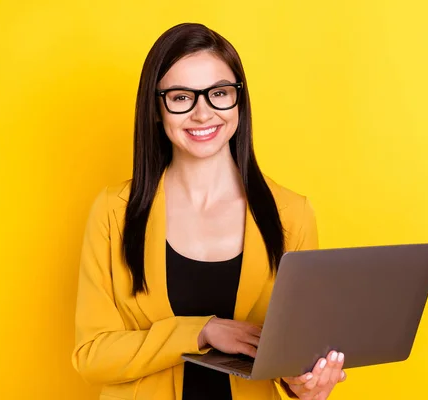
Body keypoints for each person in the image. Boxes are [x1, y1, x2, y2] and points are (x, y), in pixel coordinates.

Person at [72, 22, 346, 400]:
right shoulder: (113, 211)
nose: (203, 114)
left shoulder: (291, 214)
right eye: (182, 97)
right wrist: (202, 331)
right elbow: (91, 355)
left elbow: (292, 357)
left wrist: (308, 384)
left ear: (238, 100)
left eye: (218, 93)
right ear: (156, 108)